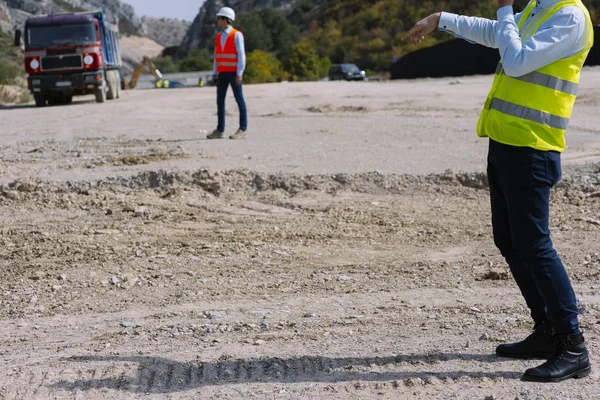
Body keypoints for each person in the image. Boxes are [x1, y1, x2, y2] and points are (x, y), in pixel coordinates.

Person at [403, 0, 593, 383]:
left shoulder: (570, 16)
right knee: (509, 239)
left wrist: (506, 10)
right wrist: (441, 19)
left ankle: (572, 345)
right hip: (506, 141)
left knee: (535, 245)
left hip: (534, 147)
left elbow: (518, 59)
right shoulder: (540, 9)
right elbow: (494, 34)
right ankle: (546, 330)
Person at [207, 7, 248, 140]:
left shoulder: (236, 35)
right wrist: (214, 73)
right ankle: (220, 130)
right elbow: (216, 55)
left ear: (225, 20)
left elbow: (241, 55)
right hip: (222, 74)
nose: (217, 20)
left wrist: (239, 73)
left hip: (233, 73)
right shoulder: (219, 36)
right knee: (220, 101)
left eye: (219, 18)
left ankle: (242, 129)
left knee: (239, 100)